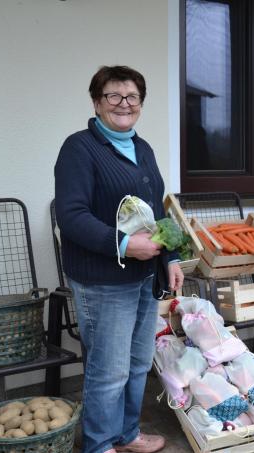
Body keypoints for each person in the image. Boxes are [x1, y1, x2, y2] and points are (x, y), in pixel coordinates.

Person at [55, 65, 183, 453]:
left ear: (141, 104)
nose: (124, 104)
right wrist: (126, 245)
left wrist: (172, 257)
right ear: (97, 102)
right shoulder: (79, 148)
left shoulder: (141, 148)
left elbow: (158, 210)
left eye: (132, 97)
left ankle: (126, 435)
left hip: (146, 276)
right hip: (103, 282)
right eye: (113, 95)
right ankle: (98, 444)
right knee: (108, 370)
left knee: (138, 363)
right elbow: (72, 217)